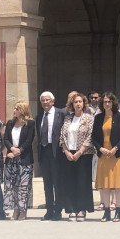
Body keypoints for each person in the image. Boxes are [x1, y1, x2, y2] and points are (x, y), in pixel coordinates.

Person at [93, 92, 120, 222]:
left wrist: (115, 148)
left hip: (117, 155)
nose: (107, 104)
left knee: (118, 184)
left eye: (109, 101)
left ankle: (118, 211)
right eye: (105, 102)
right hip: (104, 155)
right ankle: (107, 211)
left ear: (113, 103)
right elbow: (94, 137)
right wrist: (101, 148)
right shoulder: (98, 118)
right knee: (105, 185)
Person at [59, 93, 95, 221]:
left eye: (80, 101)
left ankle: (82, 209)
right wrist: (66, 151)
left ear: (84, 103)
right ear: (72, 104)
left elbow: (90, 136)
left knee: (82, 182)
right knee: (70, 182)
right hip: (69, 153)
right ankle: (71, 209)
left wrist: (80, 152)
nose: (78, 104)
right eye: (75, 102)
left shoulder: (88, 118)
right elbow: (62, 135)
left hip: (84, 154)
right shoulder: (68, 118)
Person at [3, 101, 35, 220]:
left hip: (24, 159)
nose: (14, 110)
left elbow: (29, 140)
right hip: (11, 159)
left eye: (16, 108)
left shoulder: (30, 124)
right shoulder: (10, 123)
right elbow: (6, 139)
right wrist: (12, 148)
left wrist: (19, 151)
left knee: (24, 186)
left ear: (22, 110)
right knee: (13, 186)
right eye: (14, 108)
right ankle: (16, 210)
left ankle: (23, 210)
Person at [37, 91, 66, 221]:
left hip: (56, 152)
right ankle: (49, 210)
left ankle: (58, 210)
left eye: (47, 100)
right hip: (44, 152)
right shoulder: (39, 116)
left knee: (57, 183)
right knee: (47, 184)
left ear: (52, 101)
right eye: (43, 100)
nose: (45, 102)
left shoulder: (61, 113)